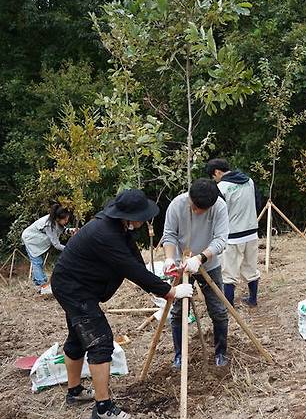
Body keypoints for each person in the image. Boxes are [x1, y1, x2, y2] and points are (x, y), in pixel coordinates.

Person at [51, 189, 193, 419]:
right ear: (129, 215)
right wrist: (170, 291)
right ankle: (103, 409)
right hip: (74, 289)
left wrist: (159, 281)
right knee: (101, 343)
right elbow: (130, 269)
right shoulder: (105, 234)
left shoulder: (118, 226)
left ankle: (74, 391)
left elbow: (135, 259)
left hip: (75, 285)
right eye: (142, 216)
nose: (145, 220)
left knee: (77, 338)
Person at [163, 179, 230, 368]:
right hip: (181, 265)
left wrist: (200, 258)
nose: (196, 211)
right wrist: (170, 259)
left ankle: (221, 353)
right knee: (177, 312)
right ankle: (179, 355)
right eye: (194, 206)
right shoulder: (177, 205)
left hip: (208, 264)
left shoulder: (219, 207)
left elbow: (220, 240)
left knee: (218, 310)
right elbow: (169, 235)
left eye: (201, 209)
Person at [206, 158, 260, 307]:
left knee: (228, 273)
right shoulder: (249, 181)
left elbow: (217, 213)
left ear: (217, 172)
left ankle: (228, 305)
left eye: (213, 176)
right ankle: (253, 300)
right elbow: (258, 201)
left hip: (233, 235)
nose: (214, 179)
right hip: (251, 231)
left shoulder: (221, 188)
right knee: (251, 268)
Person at [21, 203, 71, 294]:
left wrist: (70, 231)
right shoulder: (49, 225)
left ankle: (38, 282)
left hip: (36, 239)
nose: (67, 221)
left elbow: (62, 229)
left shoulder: (54, 218)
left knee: (38, 262)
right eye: (65, 219)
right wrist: (70, 249)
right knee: (37, 262)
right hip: (30, 239)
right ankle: (43, 286)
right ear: (58, 218)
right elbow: (56, 244)